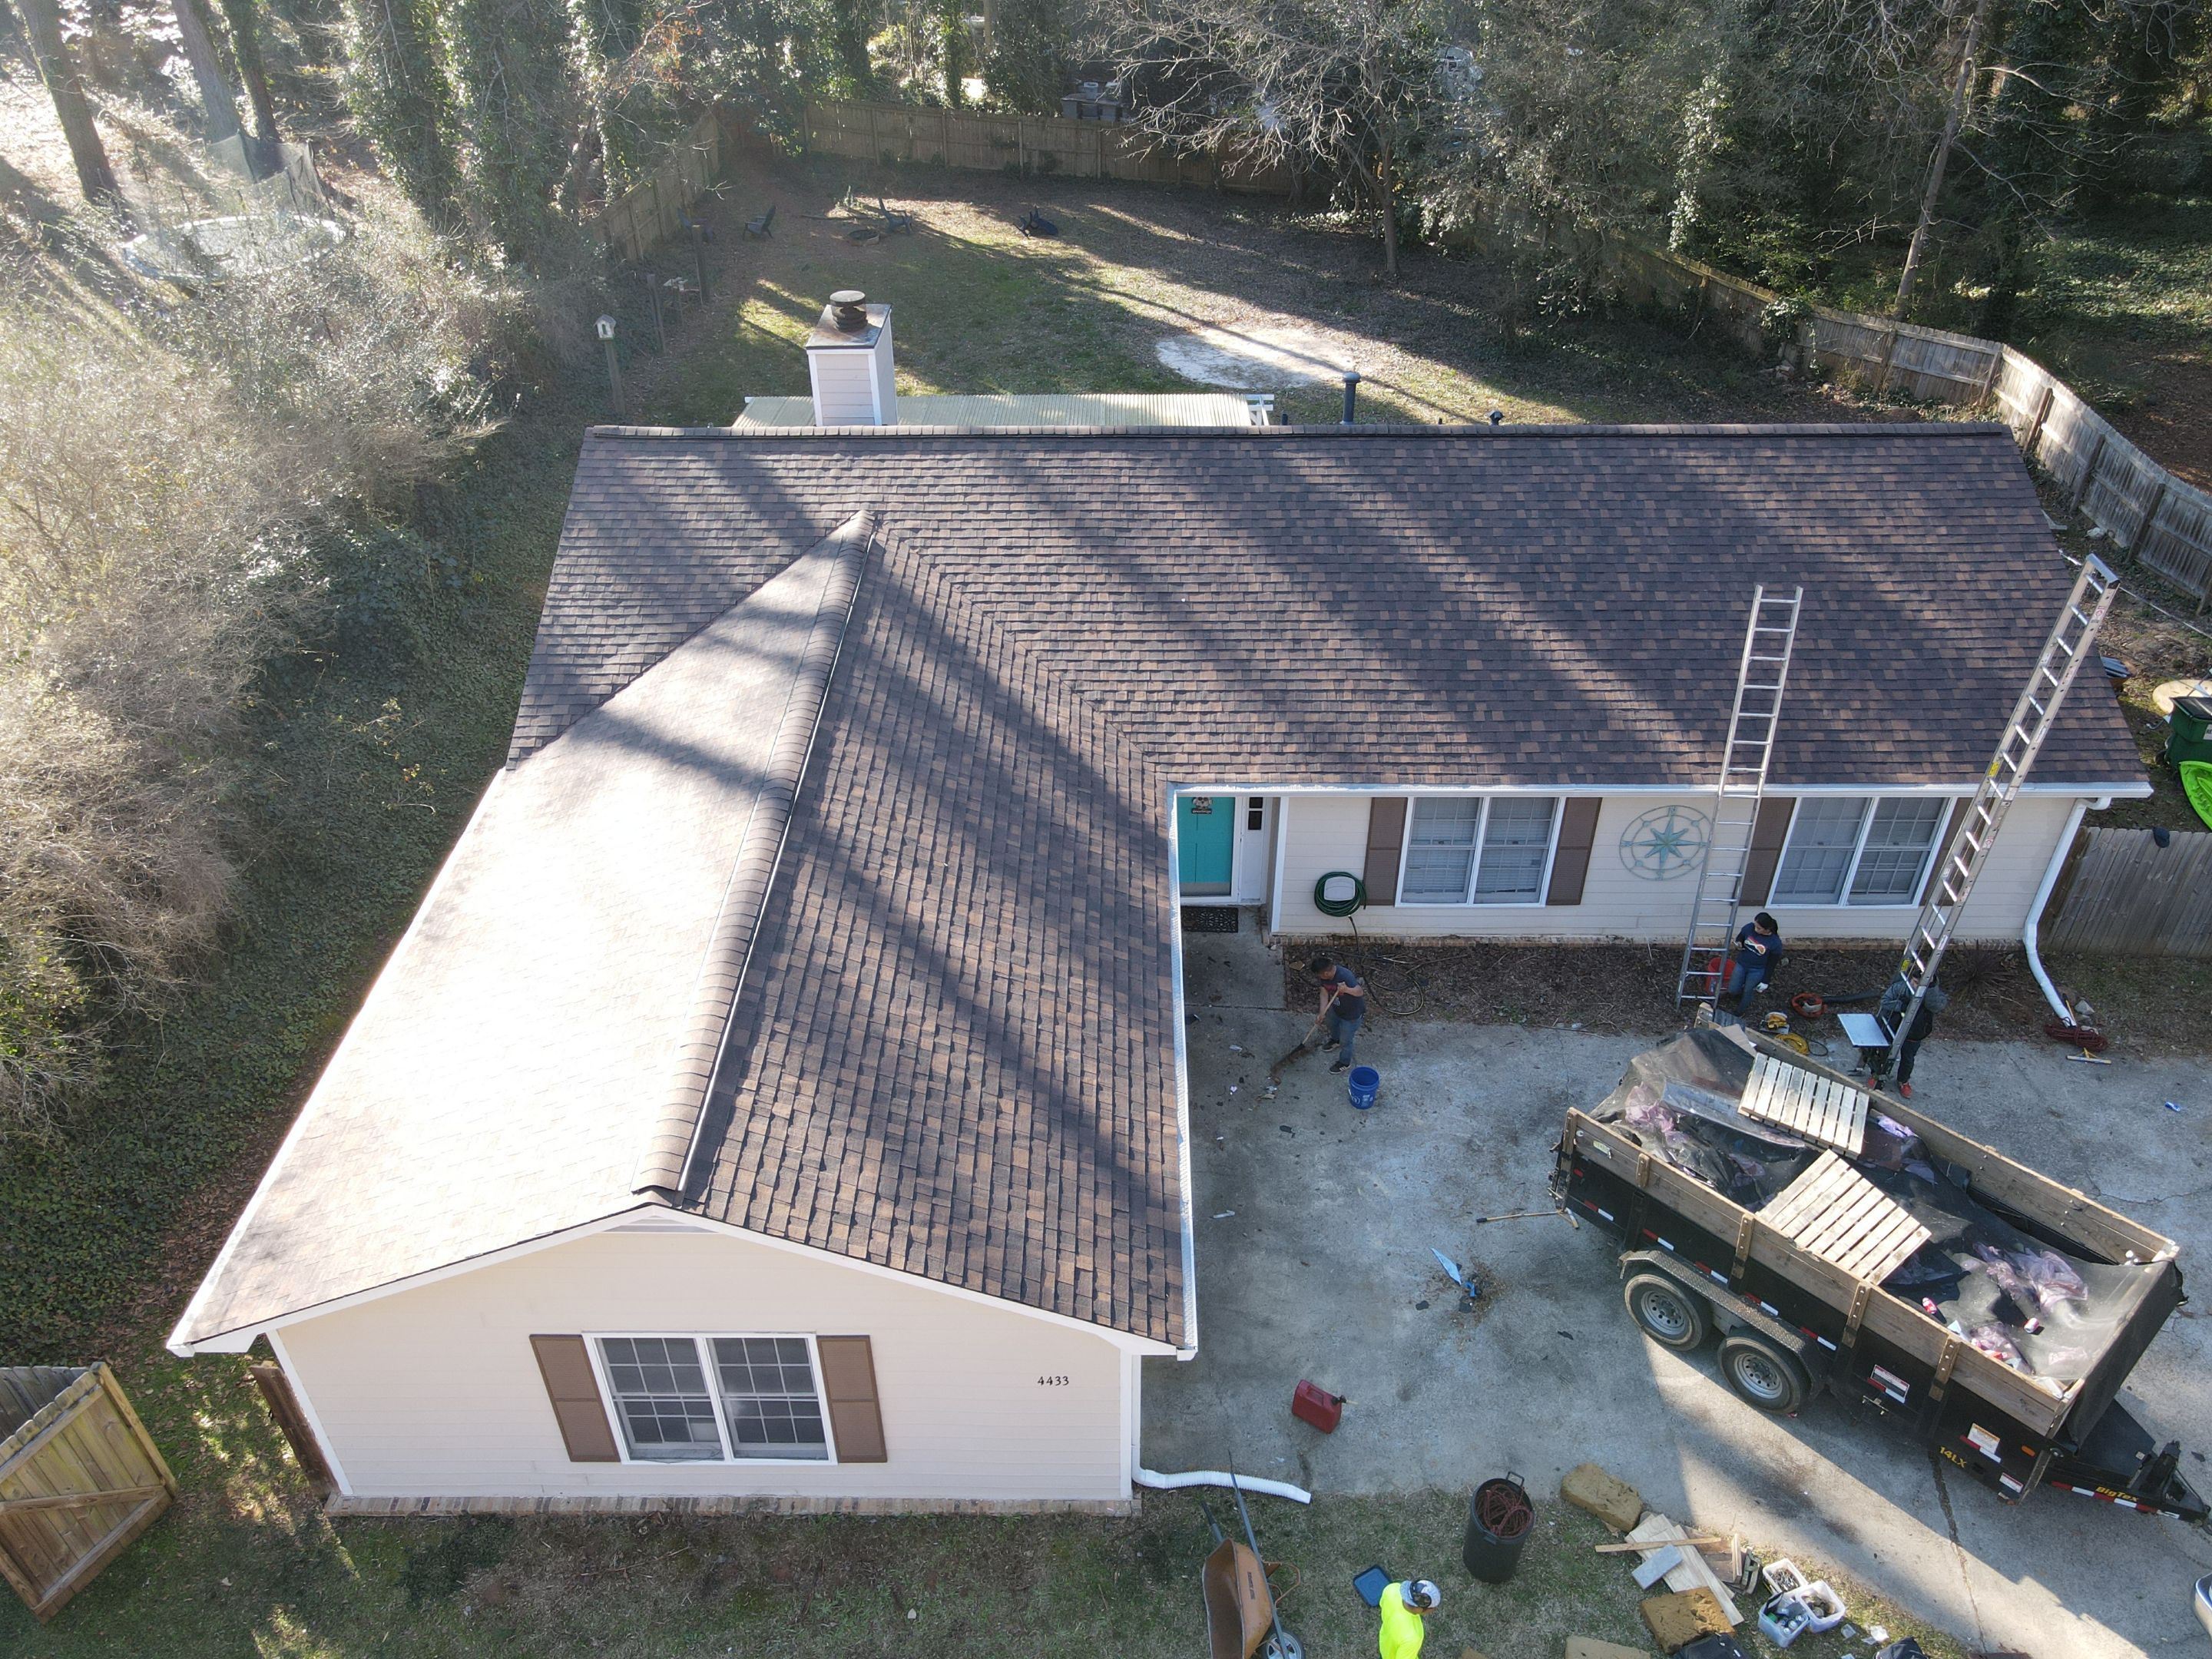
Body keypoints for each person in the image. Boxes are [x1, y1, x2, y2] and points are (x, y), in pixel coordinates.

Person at [1871, 975, 1948, 1099]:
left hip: (1914, 1033)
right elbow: (1885, 1002)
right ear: (1911, 979)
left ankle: (1903, 1081)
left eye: (1922, 984)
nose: (1917, 986)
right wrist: (1902, 1006)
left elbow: (1937, 1006)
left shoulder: (1933, 994)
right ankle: (1877, 1074)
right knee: (1884, 1053)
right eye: (1915, 982)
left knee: (1908, 1059)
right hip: (1893, 1028)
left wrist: (1931, 989)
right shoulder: (1900, 988)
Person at [1308, 955, 1367, 1073]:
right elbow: (1324, 992)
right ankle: (1335, 1040)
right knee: (1331, 1023)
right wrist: (1322, 1012)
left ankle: (1344, 1062)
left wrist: (1346, 990)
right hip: (1336, 1009)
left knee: (1346, 1041)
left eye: (1319, 975)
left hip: (1351, 1015)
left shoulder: (1345, 976)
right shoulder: (1325, 977)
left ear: (1326, 973)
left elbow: (1360, 992)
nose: (1319, 978)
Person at [1724, 912, 1782, 1009]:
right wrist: (1738, 943)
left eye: (1759, 928)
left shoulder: (1775, 943)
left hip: (1757, 970)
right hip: (1741, 964)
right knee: (1733, 989)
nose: (1755, 929)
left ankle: (1740, 1010)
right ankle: (1736, 995)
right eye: (1755, 926)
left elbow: (1772, 964)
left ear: (1767, 929)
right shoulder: (1749, 928)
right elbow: (1741, 937)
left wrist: (1765, 981)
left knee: (1748, 991)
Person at [1377, 1578, 1441, 1659]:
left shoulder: (1392, 1589)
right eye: (1433, 1608)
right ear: (1420, 1608)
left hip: (1384, 1642)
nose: (1434, 1609)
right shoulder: (1413, 1637)